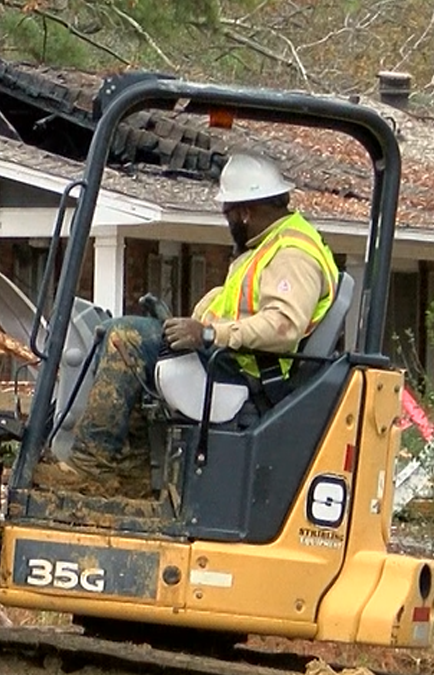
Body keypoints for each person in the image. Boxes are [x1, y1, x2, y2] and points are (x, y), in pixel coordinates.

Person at [44, 151, 338, 497]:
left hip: (247, 373)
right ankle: (129, 480)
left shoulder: (292, 253)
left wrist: (209, 333)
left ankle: (89, 465)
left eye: (228, 214)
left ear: (244, 212)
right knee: (126, 341)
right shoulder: (268, 247)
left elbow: (283, 327)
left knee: (124, 337)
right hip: (231, 360)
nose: (228, 223)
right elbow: (235, 310)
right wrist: (184, 326)